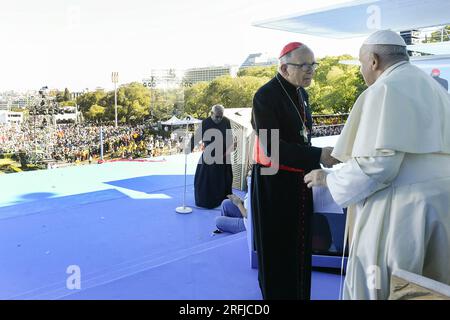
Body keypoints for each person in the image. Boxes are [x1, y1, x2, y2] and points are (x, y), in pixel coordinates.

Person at [304, 30, 450, 300]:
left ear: (373, 60)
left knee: (386, 286)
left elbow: (379, 164)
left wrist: (328, 178)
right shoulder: (431, 85)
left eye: (361, 64)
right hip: (442, 206)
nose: (361, 71)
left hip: (405, 209)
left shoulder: (384, 88)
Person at [251, 42, 339, 300]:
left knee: (300, 250)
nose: (311, 70)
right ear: (284, 67)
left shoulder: (302, 94)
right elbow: (272, 150)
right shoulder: (265, 96)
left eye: (313, 64)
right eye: (304, 65)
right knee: (279, 252)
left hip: (300, 182)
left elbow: (302, 138)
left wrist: (318, 162)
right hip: (274, 188)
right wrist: (319, 155)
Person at [188, 104, 233, 209]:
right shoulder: (206, 122)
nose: (219, 119)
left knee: (225, 179)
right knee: (206, 180)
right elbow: (197, 135)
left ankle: (223, 202)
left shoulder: (226, 121)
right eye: (217, 116)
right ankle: (207, 202)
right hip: (209, 155)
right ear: (211, 113)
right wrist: (189, 147)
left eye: (221, 116)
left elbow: (230, 137)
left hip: (223, 155)